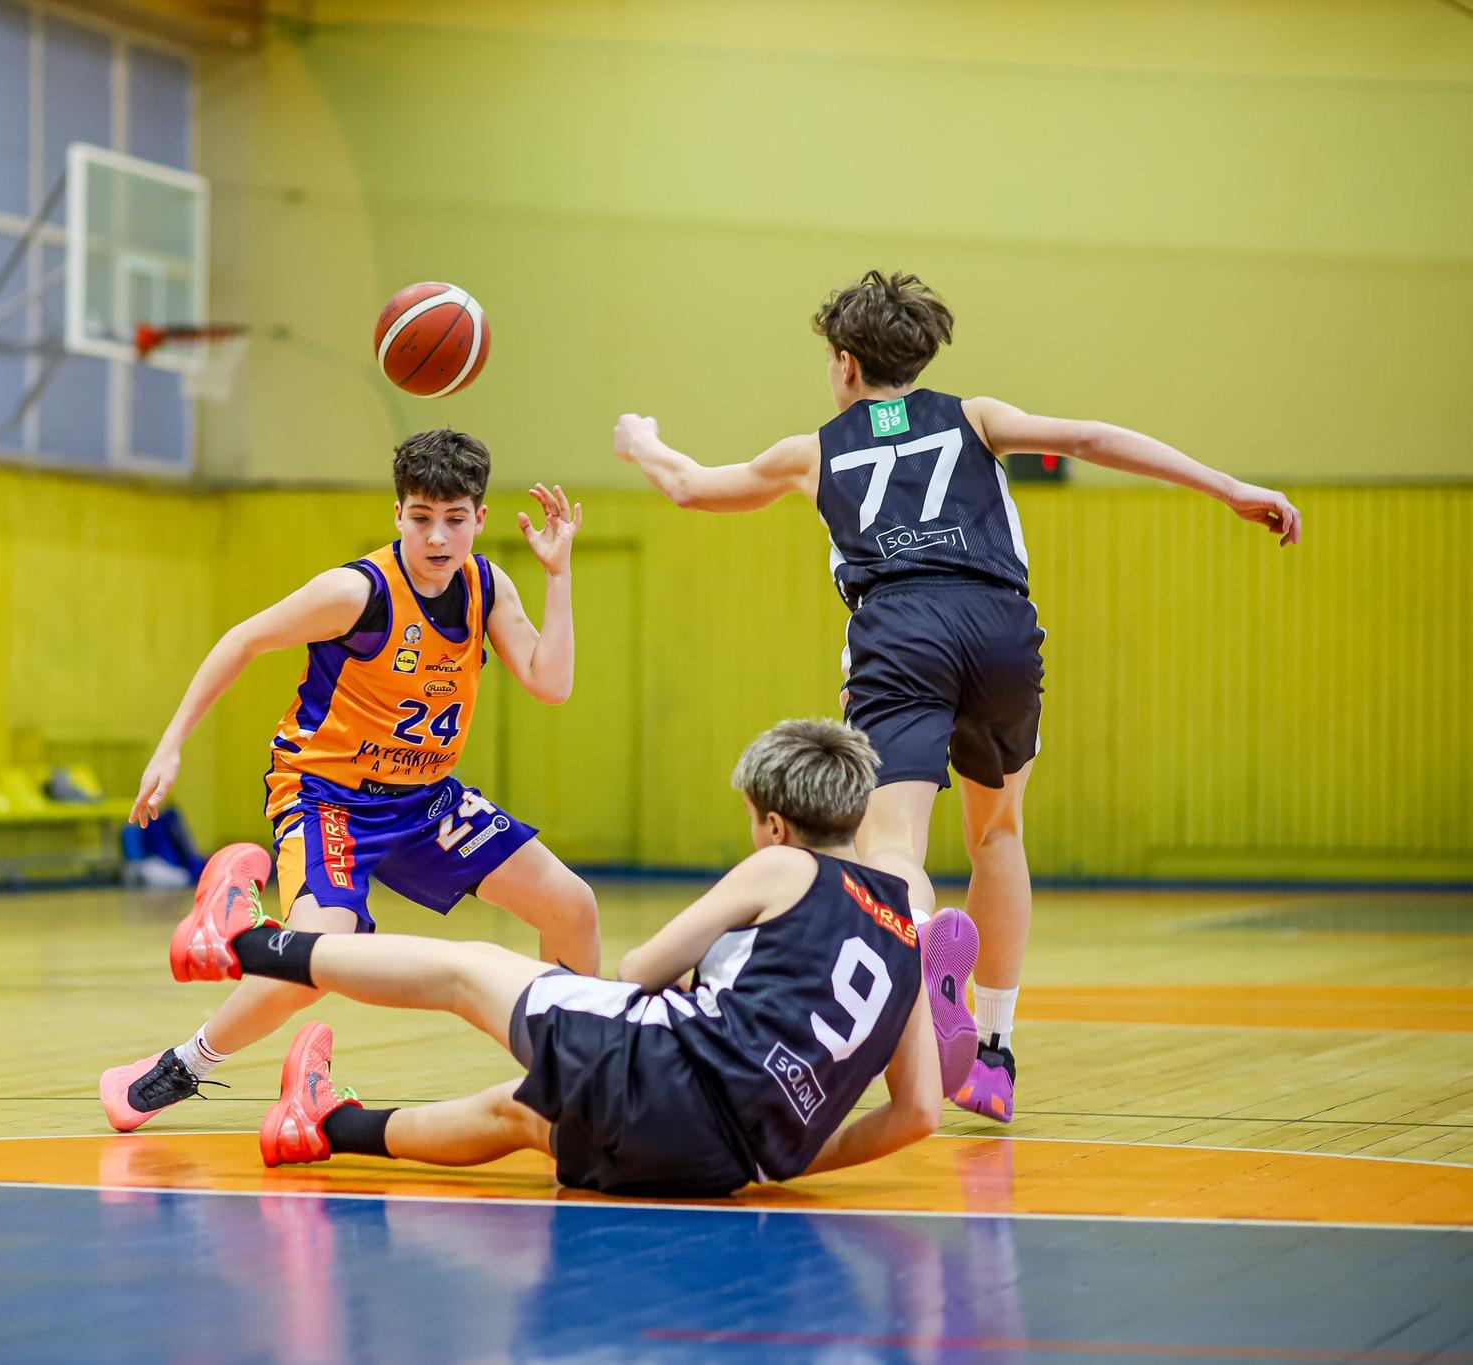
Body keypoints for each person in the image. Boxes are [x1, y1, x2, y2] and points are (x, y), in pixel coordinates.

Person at [612, 270, 1302, 1122]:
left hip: (901, 626)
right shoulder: (974, 417)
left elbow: (690, 485)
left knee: (892, 845)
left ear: (844, 363)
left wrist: (643, 441)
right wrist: (1230, 487)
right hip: (1000, 624)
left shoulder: (813, 451)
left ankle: (921, 951)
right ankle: (995, 1052)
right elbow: (1088, 436)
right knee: (999, 833)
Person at [169, 720, 977, 1196]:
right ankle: (322, 1126)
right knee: (521, 1112)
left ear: (773, 823)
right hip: (721, 1159)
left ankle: (241, 940)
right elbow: (918, 1113)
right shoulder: (907, 935)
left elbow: (638, 970)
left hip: (666, 1069)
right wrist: (781, 1159)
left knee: (467, 972)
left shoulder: (783, 865)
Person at [99, 429, 599, 1132]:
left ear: (479, 519)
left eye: (454, 518)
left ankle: (572, 1082)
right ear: (398, 514)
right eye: (421, 517)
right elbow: (242, 639)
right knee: (320, 955)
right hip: (327, 794)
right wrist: (170, 745)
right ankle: (186, 1062)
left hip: (425, 800)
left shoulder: (487, 586)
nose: (437, 536)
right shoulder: (356, 592)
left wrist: (559, 574)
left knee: (572, 906)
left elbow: (552, 684)